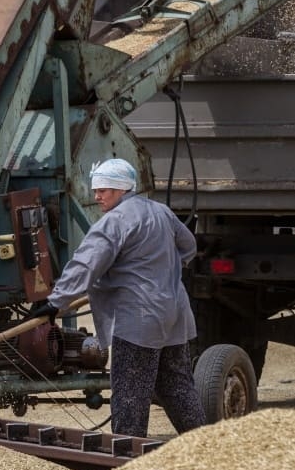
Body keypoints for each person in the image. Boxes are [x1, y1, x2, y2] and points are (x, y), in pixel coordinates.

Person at [32, 158, 207, 437]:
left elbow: (87, 263)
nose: (97, 196)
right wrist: (164, 271)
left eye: (104, 190)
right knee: (177, 387)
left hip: (138, 318)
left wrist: (56, 302)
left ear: (123, 189)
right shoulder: (161, 212)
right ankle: (207, 446)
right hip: (174, 314)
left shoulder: (116, 221)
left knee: (130, 393)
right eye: (96, 190)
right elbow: (188, 246)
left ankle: (125, 460)